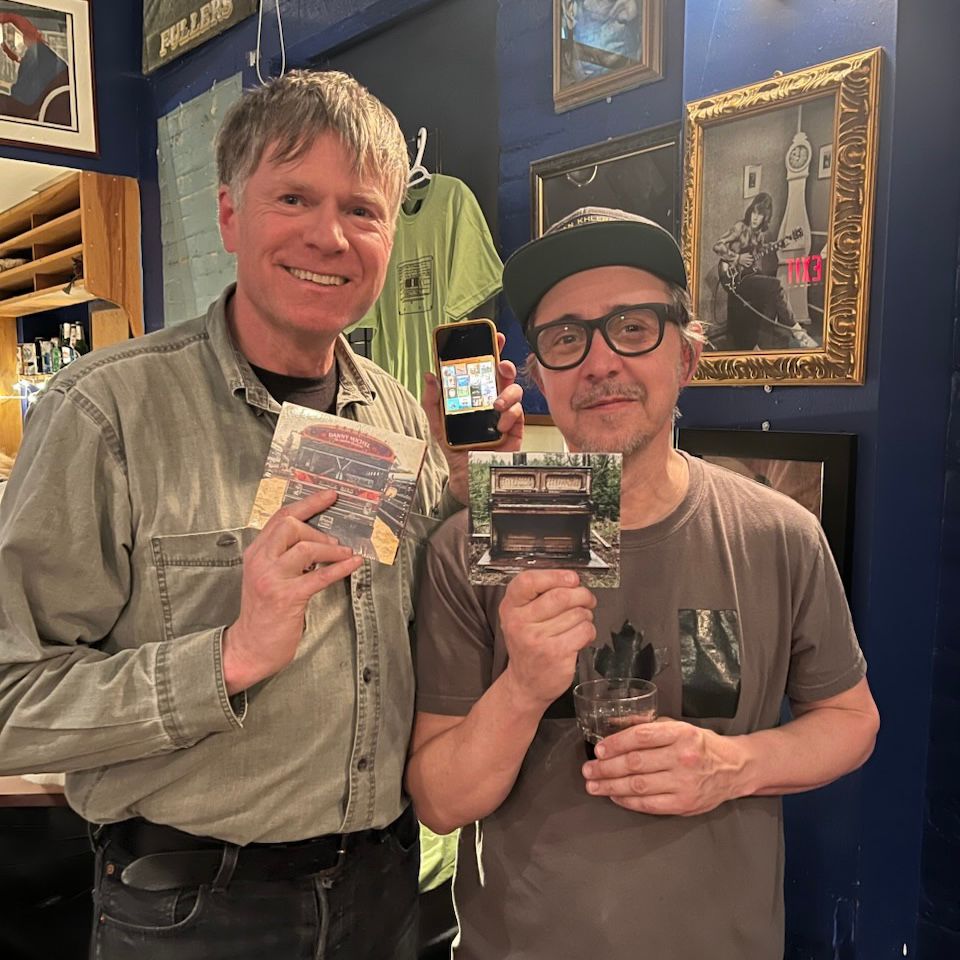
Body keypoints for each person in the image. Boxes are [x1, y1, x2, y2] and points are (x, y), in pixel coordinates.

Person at [0, 70, 522, 960]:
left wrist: (469, 484)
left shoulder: (401, 415)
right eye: (294, 198)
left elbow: (436, 629)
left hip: (387, 890)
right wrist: (229, 658)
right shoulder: (104, 413)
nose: (330, 235)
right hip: (195, 909)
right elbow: (11, 700)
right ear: (229, 216)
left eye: (362, 210)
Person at [405, 206, 879, 958]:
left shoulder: (777, 533)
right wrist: (524, 687)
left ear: (686, 357)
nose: (601, 363)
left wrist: (733, 766)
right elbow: (439, 801)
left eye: (633, 327)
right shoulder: (476, 540)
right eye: (567, 338)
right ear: (538, 379)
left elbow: (851, 721)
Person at [713, 191, 817, 350]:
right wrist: (737, 258)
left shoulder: (759, 234)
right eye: (754, 212)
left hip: (748, 274)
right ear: (750, 211)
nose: (755, 218)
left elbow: (761, 250)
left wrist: (783, 242)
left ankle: (760, 343)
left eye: (760, 214)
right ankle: (798, 332)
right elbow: (718, 245)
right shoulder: (740, 227)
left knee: (772, 292)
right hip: (733, 277)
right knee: (776, 285)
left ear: (765, 217)